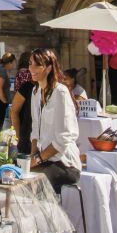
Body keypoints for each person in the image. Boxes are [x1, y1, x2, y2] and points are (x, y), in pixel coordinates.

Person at [28, 47, 80, 194]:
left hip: (64, 163)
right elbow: (35, 130)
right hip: (44, 160)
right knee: (15, 175)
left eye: (37, 65)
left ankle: (49, 217)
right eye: (30, 63)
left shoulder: (61, 92)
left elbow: (63, 137)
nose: (32, 68)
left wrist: (37, 159)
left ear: (49, 67)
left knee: (37, 181)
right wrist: (32, 157)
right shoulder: (35, 92)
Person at [10, 66, 36, 159]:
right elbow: (14, 111)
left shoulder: (56, 89)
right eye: (31, 64)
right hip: (27, 137)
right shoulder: (27, 87)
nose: (33, 68)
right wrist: (18, 137)